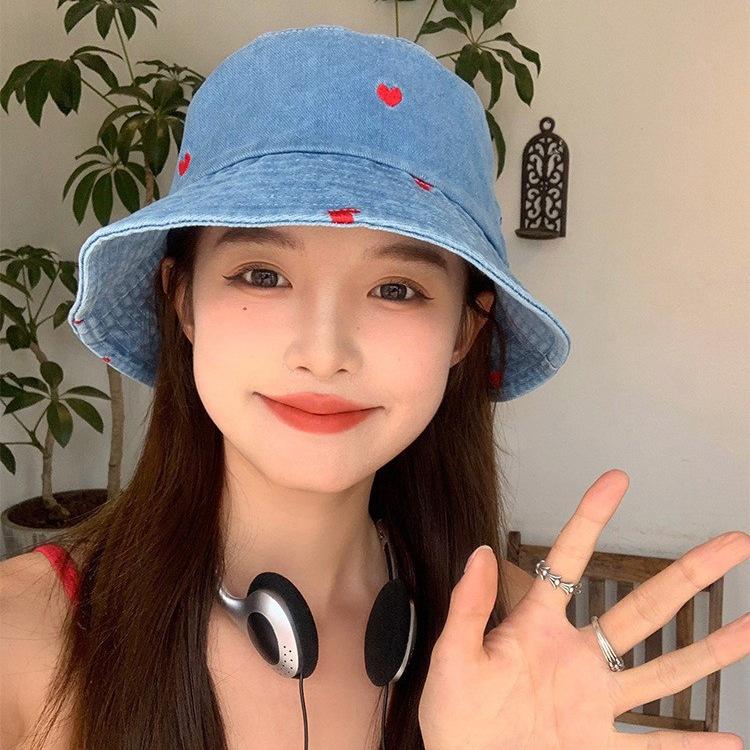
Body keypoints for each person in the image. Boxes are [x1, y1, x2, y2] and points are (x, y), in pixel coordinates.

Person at [1, 23, 747, 750]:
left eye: (396, 289)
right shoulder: (20, 641)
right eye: (261, 274)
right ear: (184, 301)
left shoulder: (514, 633)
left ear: (464, 332)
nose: (324, 354)